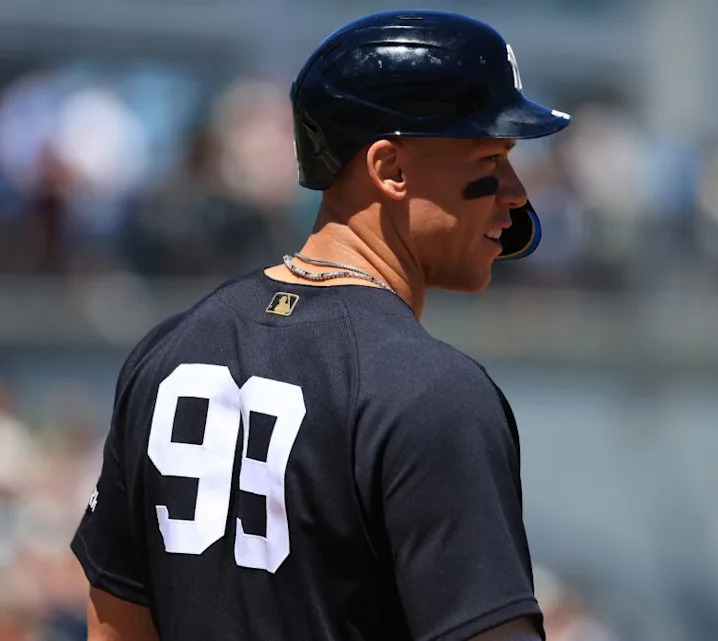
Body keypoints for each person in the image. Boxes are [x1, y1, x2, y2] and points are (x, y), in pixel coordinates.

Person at [70, 10, 571, 641]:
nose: (517, 193)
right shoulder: (433, 393)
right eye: (491, 157)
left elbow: (113, 626)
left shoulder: (167, 351)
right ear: (390, 169)